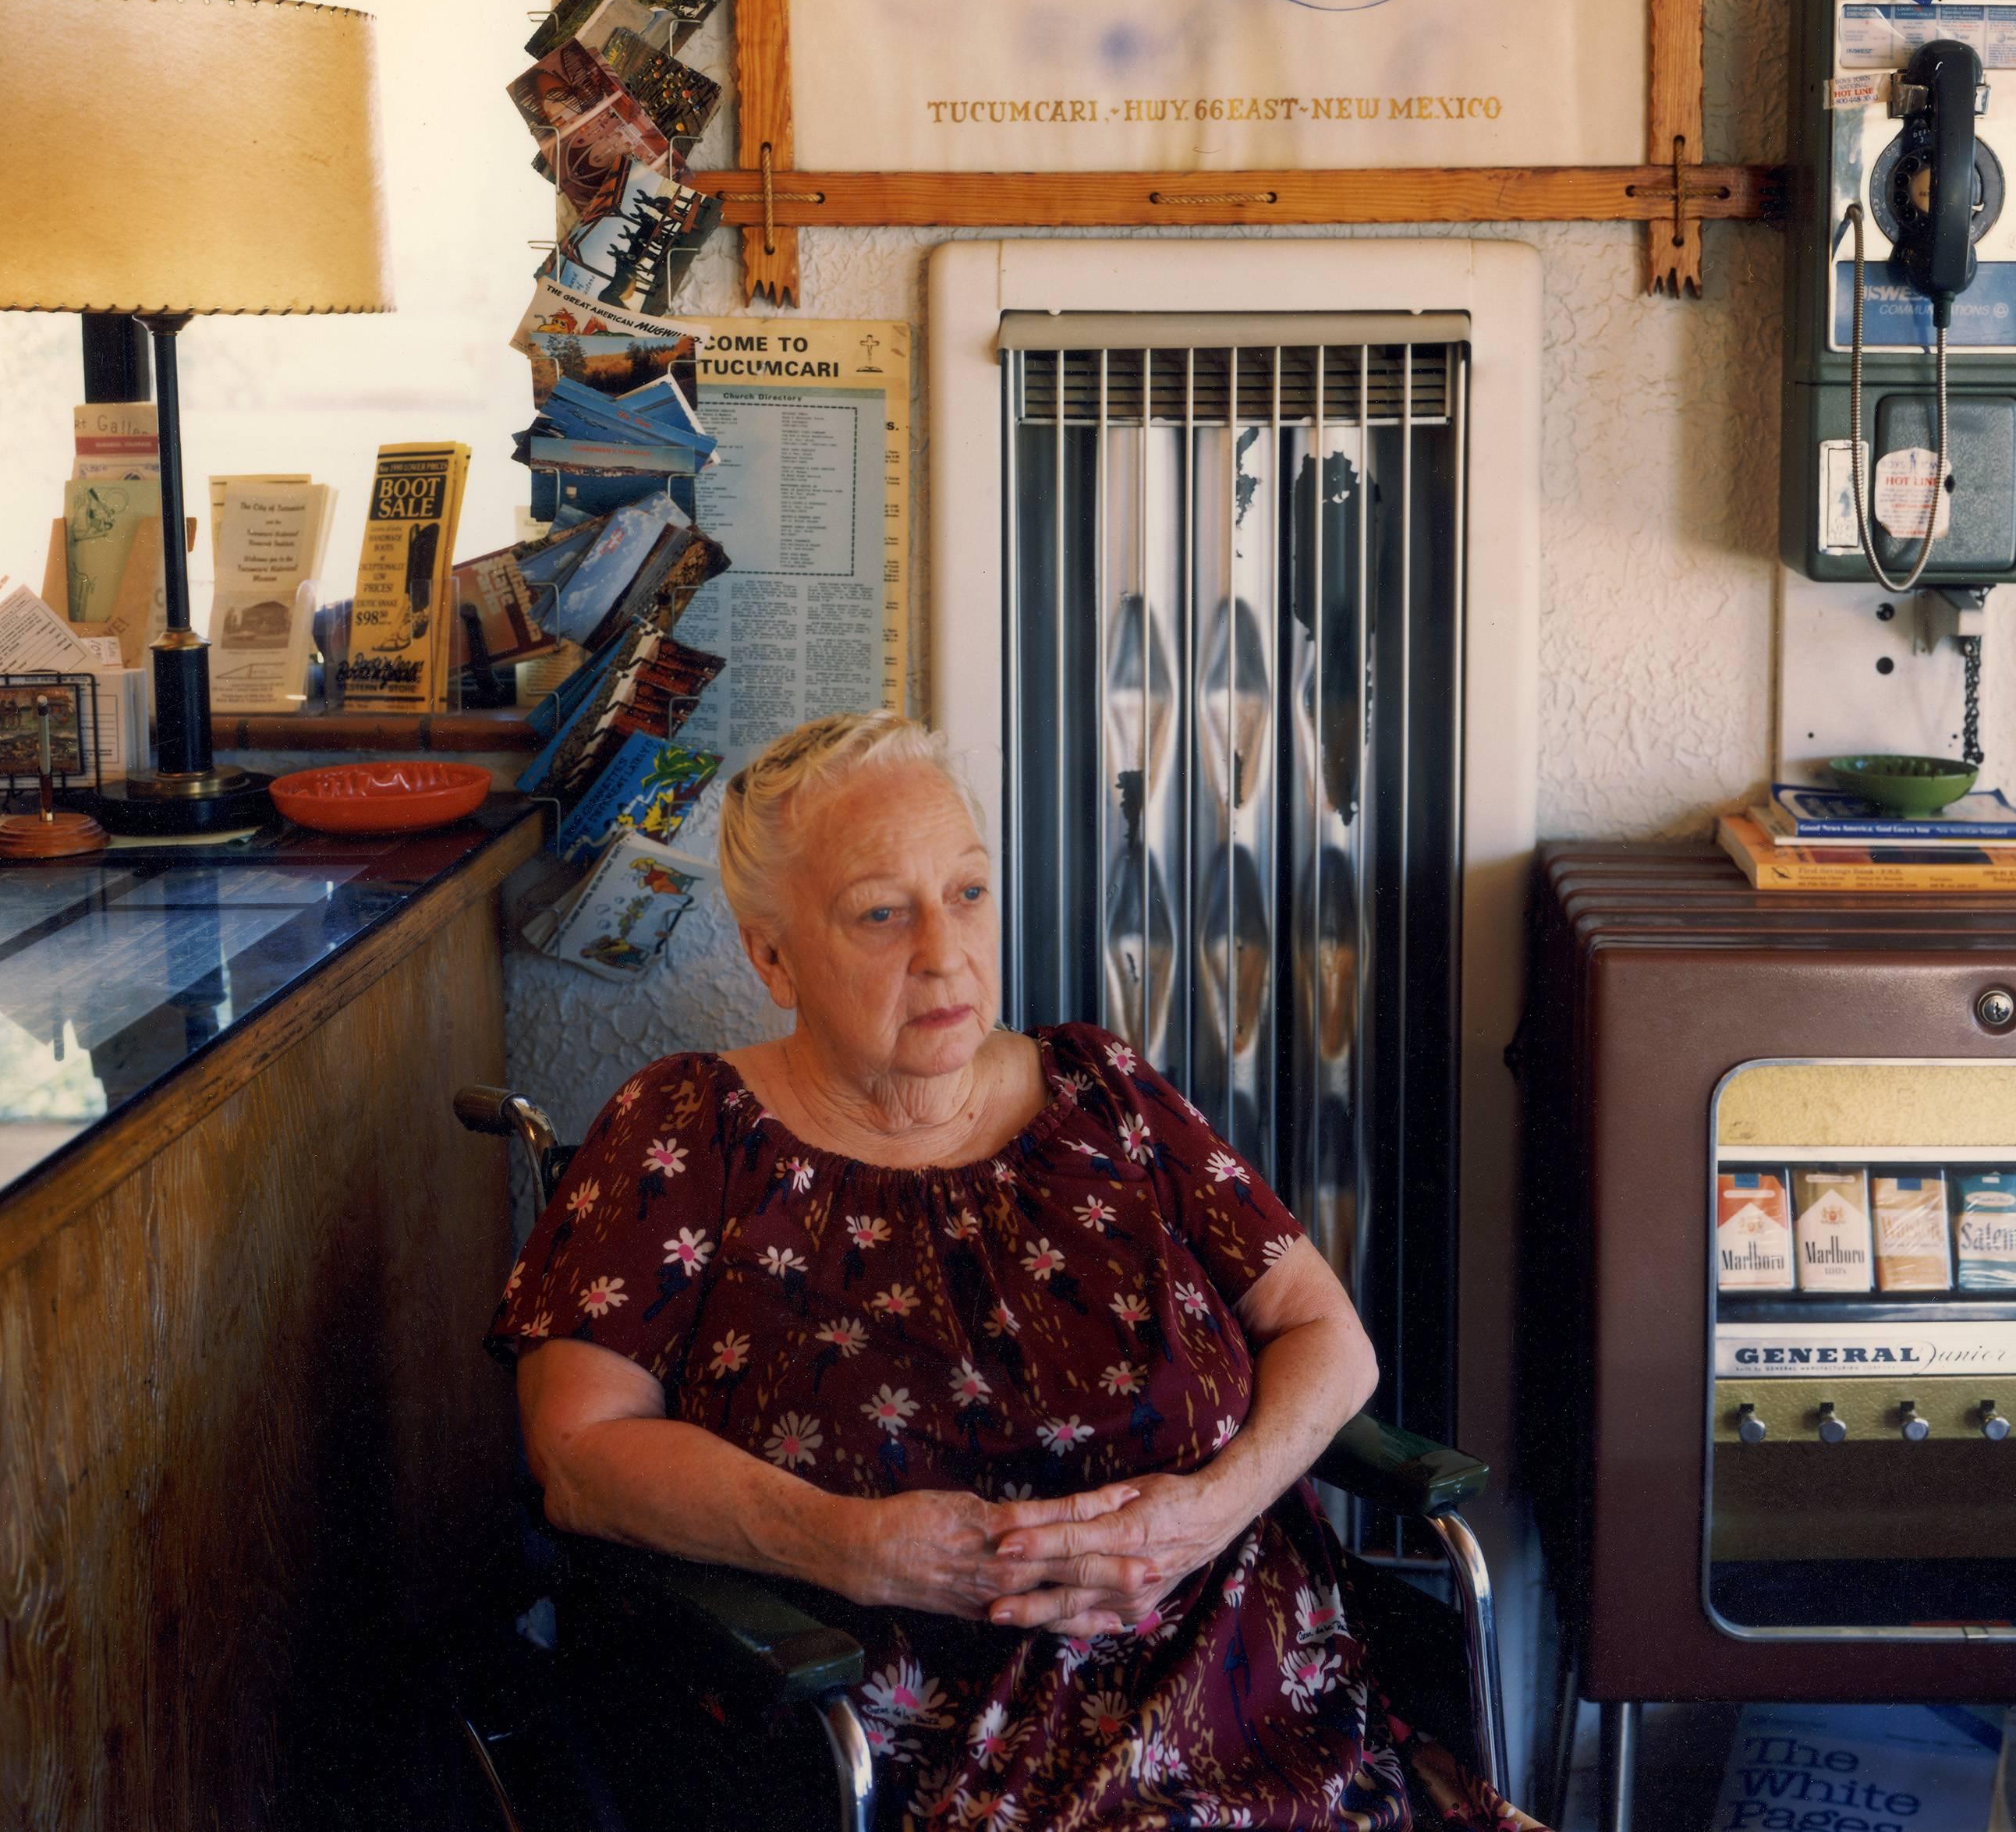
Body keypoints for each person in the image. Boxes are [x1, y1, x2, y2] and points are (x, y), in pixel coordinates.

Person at [493, 712, 1536, 1831]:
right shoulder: (688, 1131)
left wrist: (1205, 1512)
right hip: (908, 1765)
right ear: (772, 954)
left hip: (1273, 1730)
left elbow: (1329, 1336)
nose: (945, 951)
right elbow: (580, 1453)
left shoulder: (1104, 1091)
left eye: (970, 892)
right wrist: (843, 1541)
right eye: (882, 912)